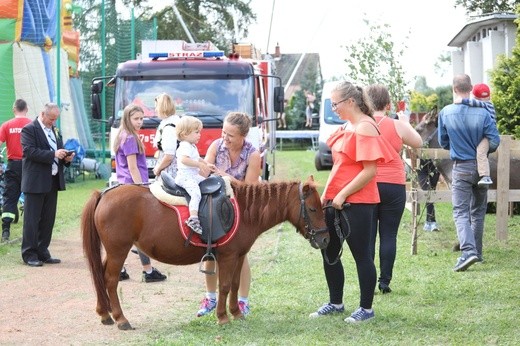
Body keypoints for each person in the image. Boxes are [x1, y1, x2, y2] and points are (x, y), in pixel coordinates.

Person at [309, 81, 393, 323]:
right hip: (335, 199)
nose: (333, 108)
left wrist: (343, 194)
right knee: (330, 252)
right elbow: (340, 166)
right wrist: (329, 195)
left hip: (358, 202)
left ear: (350, 102)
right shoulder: (348, 125)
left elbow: (369, 171)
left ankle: (366, 309)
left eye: (335, 103)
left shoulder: (366, 127)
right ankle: (336, 303)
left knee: (361, 255)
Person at [196, 111, 262, 317]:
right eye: (223, 132)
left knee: (240, 256)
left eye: (230, 135)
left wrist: (226, 176)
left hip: (241, 208)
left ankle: (242, 301)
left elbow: (250, 189)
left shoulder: (253, 154)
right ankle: (210, 298)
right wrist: (201, 167)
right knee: (211, 250)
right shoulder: (216, 146)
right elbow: (203, 175)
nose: (225, 137)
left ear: (243, 136)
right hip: (215, 206)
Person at [438, 74, 500, 271]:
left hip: (461, 167)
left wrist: (458, 145)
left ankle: (468, 252)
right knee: (478, 211)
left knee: (460, 211)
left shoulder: (446, 112)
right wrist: (482, 150)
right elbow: (495, 141)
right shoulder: (484, 114)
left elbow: (443, 141)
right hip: (483, 169)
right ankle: (477, 252)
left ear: (454, 89)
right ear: (470, 88)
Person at [366, 84, 423, 294]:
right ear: (388, 105)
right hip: (394, 184)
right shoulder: (396, 125)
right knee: (389, 235)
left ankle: (369, 281)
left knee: (369, 236)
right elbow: (418, 142)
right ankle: (385, 281)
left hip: (368, 183)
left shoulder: (363, 125)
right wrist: (405, 123)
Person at [114, 104, 167, 282]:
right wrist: (142, 188)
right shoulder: (130, 138)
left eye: (141, 118)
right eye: (136, 119)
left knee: (128, 232)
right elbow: (133, 167)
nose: (139, 122)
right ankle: (148, 271)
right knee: (139, 233)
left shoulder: (123, 135)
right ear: (127, 119)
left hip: (123, 186)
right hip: (133, 188)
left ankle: (122, 269)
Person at [20, 103, 73, 266]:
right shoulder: (29, 129)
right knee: (32, 219)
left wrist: (65, 158)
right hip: (35, 182)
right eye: (51, 119)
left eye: (55, 119)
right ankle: (29, 254)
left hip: (52, 180)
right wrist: (53, 154)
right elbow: (29, 151)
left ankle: (43, 251)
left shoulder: (55, 130)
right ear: (42, 114)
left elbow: (59, 150)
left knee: (48, 219)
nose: (53, 122)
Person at [174, 115, 215, 235]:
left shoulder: (191, 146)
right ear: (185, 134)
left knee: (207, 182)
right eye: (196, 132)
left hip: (192, 175)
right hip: (185, 177)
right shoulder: (185, 145)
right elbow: (184, 160)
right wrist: (198, 165)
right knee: (196, 193)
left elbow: (197, 158)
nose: (199, 135)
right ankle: (193, 219)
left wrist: (207, 164)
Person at [0, 99, 32, 242]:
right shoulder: (32, 124)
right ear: (26, 109)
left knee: (9, 197)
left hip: (13, 166)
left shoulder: (6, 125)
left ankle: (6, 230)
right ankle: (31, 232)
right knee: (32, 196)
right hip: (30, 165)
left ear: (14, 109)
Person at [457, 83, 496, 187]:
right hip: (483, 135)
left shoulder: (487, 105)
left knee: (481, 152)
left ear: (474, 97)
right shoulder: (486, 104)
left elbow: (478, 103)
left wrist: (462, 101)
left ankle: (485, 176)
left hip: (487, 137)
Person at [152, 93, 180, 179]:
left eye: (156, 107)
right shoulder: (175, 121)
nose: (155, 110)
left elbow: (169, 156)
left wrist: (158, 169)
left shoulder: (169, 127)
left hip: (170, 172)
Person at [417, 158, 441, 232]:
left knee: (431, 194)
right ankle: (431, 222)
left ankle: (429, 222)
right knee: (428, 191)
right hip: (421, 169)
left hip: (435, 169)